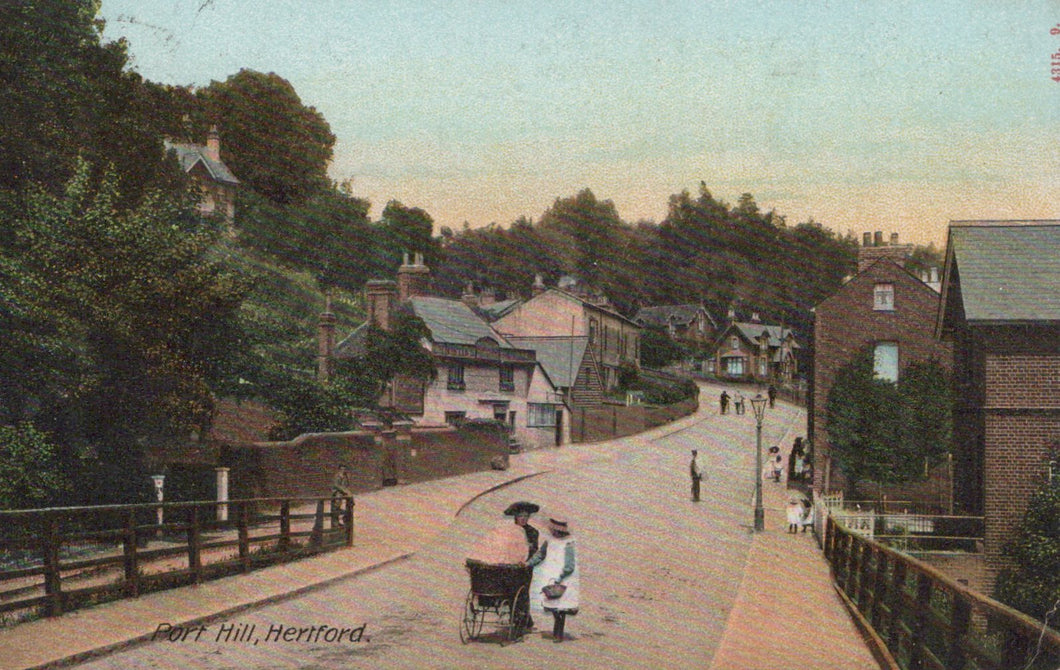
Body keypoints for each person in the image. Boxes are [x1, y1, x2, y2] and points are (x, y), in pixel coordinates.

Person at [526, 513, 579, 643]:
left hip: (565, 578)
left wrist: (560, 577)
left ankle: (558, 633)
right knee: (554, 605)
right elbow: (540, 555)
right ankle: (557, 632)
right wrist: (528, 563)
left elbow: (569, 566)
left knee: (561, 607)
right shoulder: (549, 541)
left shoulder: (569, 544)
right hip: (551, 576)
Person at [505, 501, 540, 631]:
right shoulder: (509, 531)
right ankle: (518, 618)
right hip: (508, 566)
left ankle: (523, 620)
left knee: (523, 592)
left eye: (526, 516)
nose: (524, 519)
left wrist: (525, 558)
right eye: (521, 516)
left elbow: (534, 551)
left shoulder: (532, 532)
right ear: (515, 517)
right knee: (509, 592)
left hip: (524, 568)